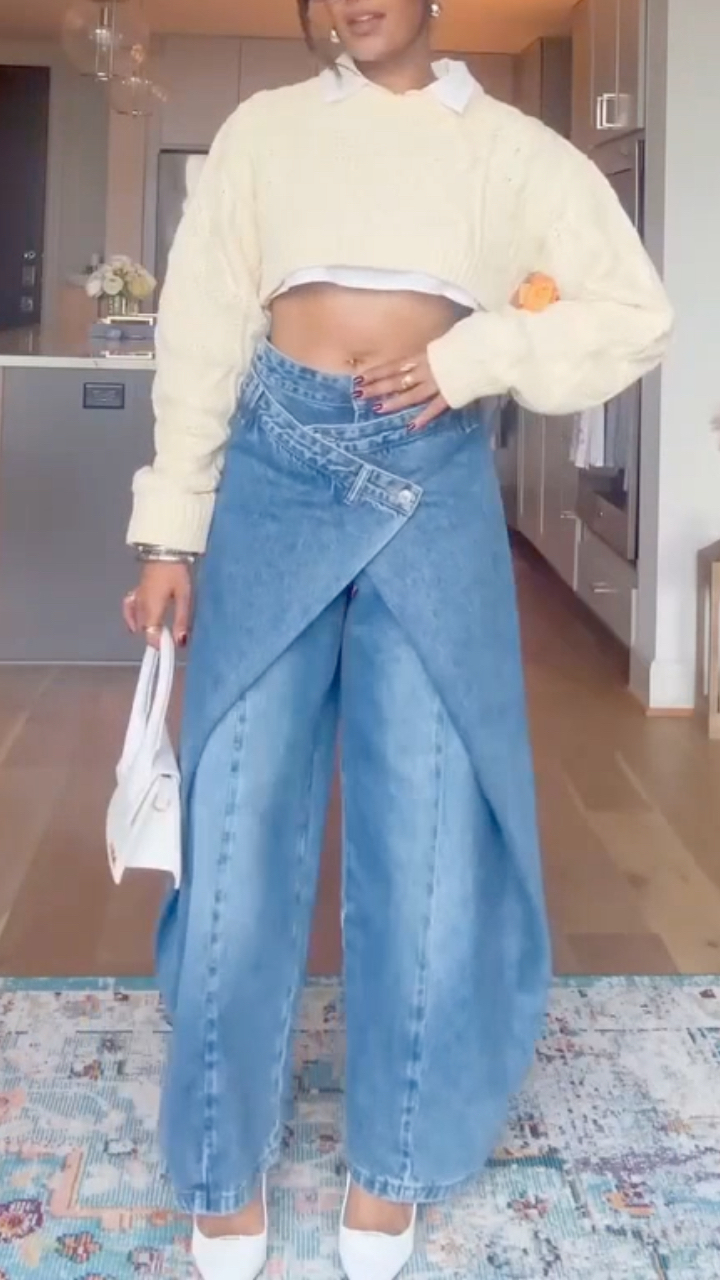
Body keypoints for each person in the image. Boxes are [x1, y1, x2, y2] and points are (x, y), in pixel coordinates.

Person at [122, 2, 673, 1277]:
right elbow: (202, 327)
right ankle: (218, 1159)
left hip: (433, 477)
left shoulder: (516, 152)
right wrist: (169, 531)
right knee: (234, 819)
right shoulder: (265, 132)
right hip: (273, 468)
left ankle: (397, 1158)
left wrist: (479, 351)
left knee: (426, 831)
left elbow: (634, 312)